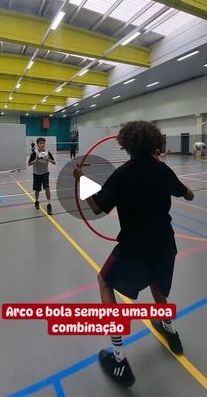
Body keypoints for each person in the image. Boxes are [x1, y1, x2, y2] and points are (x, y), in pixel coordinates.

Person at [74, 121, 194, 387]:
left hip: (134, 248)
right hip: (164, 244)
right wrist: (187, 192)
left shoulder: (122, 174)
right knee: (157, 282)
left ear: (126, 143)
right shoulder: (163, 170)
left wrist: (82, 180)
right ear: (155, 143)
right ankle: (170, 330)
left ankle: (119, 356)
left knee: (104, 282)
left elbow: (97, 208)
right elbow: (188, 194)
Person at [28, 137, 55, 215]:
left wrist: (49, 159)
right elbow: (29, 164)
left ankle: (49, 204)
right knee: (37, 190)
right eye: (40, 143)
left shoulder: (47, 152)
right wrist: (35, 160)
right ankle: (36, 201)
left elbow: (54, 162)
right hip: (36, 174)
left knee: (47, 188)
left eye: (43, 143)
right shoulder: (35, 153)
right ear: (37, 145)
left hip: (45, 173)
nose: (42, 145)